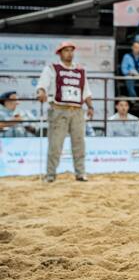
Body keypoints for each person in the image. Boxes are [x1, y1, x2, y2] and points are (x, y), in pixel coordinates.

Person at [35, 41, 94, 183]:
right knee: (55, 144)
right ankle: (50, 174)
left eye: (71, 50)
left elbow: (85, 90)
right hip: (58, 109)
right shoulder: (52, 68)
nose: (69, 53)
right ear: (60, 53)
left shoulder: (80, 70)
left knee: (79, 143)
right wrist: (41, 92)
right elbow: (43, 84)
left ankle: (80, 173)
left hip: (77, 110)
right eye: (66, 50)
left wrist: (90, 106)